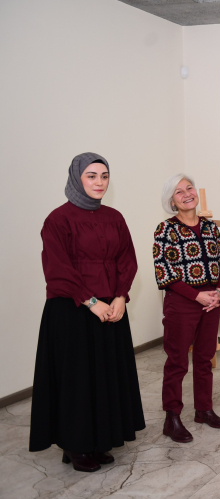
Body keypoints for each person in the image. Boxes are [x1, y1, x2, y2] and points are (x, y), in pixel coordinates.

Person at [29, 152, 145, 472]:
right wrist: (91, 302)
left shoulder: (114, 217)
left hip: (111, 308)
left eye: (104, 176)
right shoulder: (58, 219)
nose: (99, 182)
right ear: (77, 178)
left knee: (105, 376)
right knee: (77, 379)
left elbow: (127, 259)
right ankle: (75, 445)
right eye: (91, 176)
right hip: (72, 309)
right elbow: (57, 268)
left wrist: (120, 296)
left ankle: (98, 441)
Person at [153, 173, 220, 443]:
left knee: (204, 358)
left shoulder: (211, 227)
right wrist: (196, 296)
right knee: (177, 361)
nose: (187, 194)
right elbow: (164, 272)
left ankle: (204, 410)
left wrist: (217, 292)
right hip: (181, 303)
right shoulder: (165, 230)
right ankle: (172, 418)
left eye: (189, 188)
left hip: (211, 302)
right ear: (171, 201)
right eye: (179, 192)